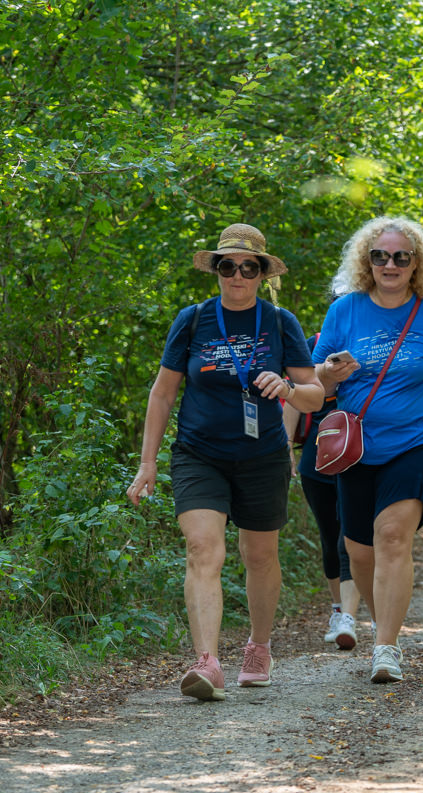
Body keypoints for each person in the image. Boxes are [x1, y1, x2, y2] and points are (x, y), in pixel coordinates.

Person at [127, 223, 323, 702]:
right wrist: (146, 463)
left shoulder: (280, 323)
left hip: (262, 455)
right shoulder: (193, 320)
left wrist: (290, 389)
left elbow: (316, 394)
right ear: (216, 270)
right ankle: (207, 663)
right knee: (202, 547)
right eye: (228, 266)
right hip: (199, 454)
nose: (237, 275)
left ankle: (258, 647)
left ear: (260, 274)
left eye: (248, 267)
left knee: (259, 556)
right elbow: (163, 392)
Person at [313, 216, 423, 684]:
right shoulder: (345, 310)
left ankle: (386, 648)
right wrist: (332, 373)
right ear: (366, 261)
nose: (389, 264)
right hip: (355, 447)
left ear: (416, 264)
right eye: (380, 256)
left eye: (400, 256)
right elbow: (317, 380)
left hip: (416, 441)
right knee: (359, 550)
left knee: (392, 535)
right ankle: (383, 624)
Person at [283, 327, 361, 650]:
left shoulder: (374, 345)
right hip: (317, 457)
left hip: (360, 453)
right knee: (330, 538)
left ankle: (350, 617)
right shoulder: (314, 347)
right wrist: (285, 444)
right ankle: (338, 609)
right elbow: (294, 398)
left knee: (351, 537)